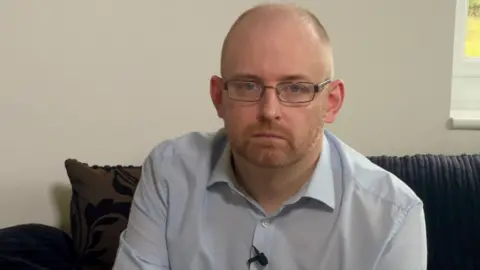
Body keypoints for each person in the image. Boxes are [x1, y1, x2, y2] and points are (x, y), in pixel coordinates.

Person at [113, 3, 427, 270]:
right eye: (248, 86)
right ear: (218, 97)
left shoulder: (392, 216)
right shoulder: (169, 174)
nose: (270, 111)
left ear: (331, 103)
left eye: (295, 88)